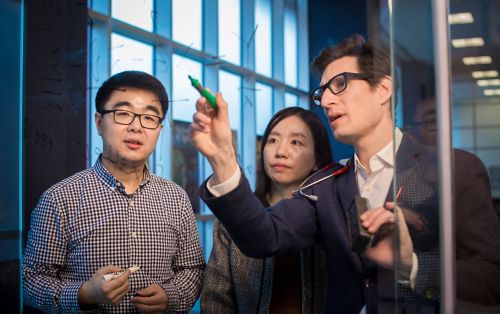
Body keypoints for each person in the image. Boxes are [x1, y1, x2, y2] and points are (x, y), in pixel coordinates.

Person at [190, 34, 500, 313]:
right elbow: (263, 237)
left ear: (383, 89)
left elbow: (490, 279)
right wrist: (223, 158)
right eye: (321, 92)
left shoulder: (454, 170)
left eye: (340, 84)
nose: (325, 101)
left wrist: (413, 266)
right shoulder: (325, 186)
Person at [23, 71, 206, 313]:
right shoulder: (59, 199)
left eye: (149, 118)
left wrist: (171, 295)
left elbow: (192, 268)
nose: (136, 127)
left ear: (159, 130)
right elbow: (31, 280)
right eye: (123, 114)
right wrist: (84, 294)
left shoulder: (176, 198)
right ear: (99, 122)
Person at [201, 107, 331, 313]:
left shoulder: (329, 217)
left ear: (317, 159)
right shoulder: (235, 220)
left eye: (296, 142)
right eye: (273, 140)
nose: (280, 152)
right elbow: (216, 298)